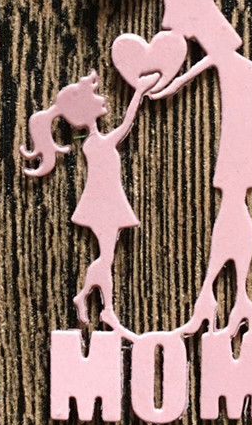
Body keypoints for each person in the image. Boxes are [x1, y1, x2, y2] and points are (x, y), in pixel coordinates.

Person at [80, 0, 252, 336]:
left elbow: (220, 53)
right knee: (232, 195)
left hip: (246, 89)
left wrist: (173, 85)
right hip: (237, 85)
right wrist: (168, 80)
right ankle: (221, 297)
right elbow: (182, 52)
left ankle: (225, 297)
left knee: (234, 192)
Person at [21, 70, 157, 331]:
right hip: (104, 207)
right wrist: (139, 93)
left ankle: (89, 298)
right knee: (105, 257)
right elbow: (125, 125)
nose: (102, 98)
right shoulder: (95, 143)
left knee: (106, 256)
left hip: (105, 205)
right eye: (95, 96)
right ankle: (103, 308)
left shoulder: (92, 142)